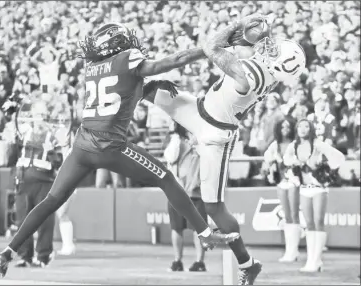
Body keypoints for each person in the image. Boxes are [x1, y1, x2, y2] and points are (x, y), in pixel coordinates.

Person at [0, 22, 240, 278]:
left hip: (81, 146)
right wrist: (207, 50)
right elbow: (175, 59)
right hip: (111, 146)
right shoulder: (127, 58)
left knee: (52, 200)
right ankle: (206, 234)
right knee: (166, 177)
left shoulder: (91, 68)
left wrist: (149, 88)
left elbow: (118, 95)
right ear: (117, 42)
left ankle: (9, 251)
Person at [144, 16, 307, 285]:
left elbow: (211, 48)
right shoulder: (270, 74)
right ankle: (107, 123)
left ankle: (247, 263)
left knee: (214, 208)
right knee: (145, 87)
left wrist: (237, 26)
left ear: (277, 65)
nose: (270, 47)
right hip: (198, 109)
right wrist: (246, 38)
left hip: (214, 135)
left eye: (275, 51)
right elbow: (243, 51)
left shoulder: (249, 77)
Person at [283, 119, 345, 273]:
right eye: (300, 126)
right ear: (296, 129)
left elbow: (338, 157)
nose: (302, 129)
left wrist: (326, 170)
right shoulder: (294, 145)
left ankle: (316, 260)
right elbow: (286, 159)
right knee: (309, 223)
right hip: (304, 188)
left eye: (306, 126)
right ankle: (311, 260)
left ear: (311, 129)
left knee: (318, 221)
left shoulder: (317, 144)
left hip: (319, 188)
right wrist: (295, 163)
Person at [11, 100, 66, 268]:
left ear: (47, 117)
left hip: (44, 181)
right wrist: (11, 142)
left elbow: (60, 163)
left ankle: (43, 256)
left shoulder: (54, 136)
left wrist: (50, 151)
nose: (39, 118)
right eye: (37, 115)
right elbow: (12, 157)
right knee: (23, 221)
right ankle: (24, 256)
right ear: (32, 117)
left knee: (44, 221)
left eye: (43, 115)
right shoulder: (23, 133)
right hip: (24, 181)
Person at [164, 122, 207, 272]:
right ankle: (177, 261)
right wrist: (175, 137)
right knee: (176, 228)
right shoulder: (176, 142)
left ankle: (199, 262)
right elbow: (170, 157)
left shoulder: (202, 141)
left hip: (196, 191)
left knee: (199, 229)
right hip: (177, 191)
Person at [263, 118, 300, 262]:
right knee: (287, 216)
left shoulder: (296, 144)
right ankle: (289, 251)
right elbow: (267, 157)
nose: (285, 129)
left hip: (294, 181)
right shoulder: (275, 145)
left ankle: (294, 251)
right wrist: (271, 164)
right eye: (282, 127)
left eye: (288, 126)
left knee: (294, 214)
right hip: (281, 182)